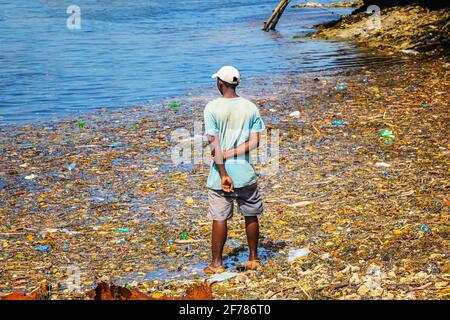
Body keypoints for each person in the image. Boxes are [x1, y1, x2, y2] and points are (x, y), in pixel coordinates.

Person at [203, 66, 265, 274]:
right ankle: (254, 258)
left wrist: (223, 173)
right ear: (236, 84)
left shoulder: (212, 108)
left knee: (219, 217)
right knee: (251, 215)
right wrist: (233, 153)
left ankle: (216, 264)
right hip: (246, 173)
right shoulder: (250, 107)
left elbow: (213, 143)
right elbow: (255, 142)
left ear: (220, 83)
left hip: (221, 175)